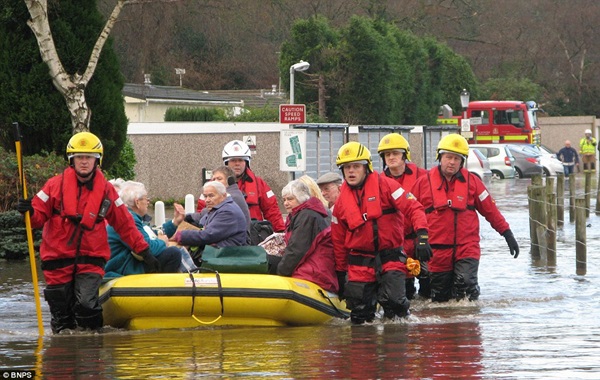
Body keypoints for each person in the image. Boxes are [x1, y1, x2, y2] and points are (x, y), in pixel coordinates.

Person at [16, 132, 155, 334]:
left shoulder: (107, 191)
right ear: (71, 160)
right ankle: (64, 358)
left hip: (91, 259)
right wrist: (28, 211)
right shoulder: (53, 186)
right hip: (57, 258)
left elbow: (125, 224)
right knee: (62, 317)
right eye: (79, 157)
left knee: (87, 306)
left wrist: (144, 251)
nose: (84, 162)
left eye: (88, 157)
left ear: (97, 160)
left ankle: (92, 353)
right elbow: (36, 218)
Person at [331, 142, 432, 324]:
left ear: (366, 167)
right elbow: (338, 241)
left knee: (396, 308)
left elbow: (414, 208)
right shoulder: (340, 204)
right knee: (359, 316)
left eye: (355, 166)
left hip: (390, 257)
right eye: (347, 167)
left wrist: (422, 236)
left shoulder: (387, 186)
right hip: (359, 262)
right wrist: (340, 273)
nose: (351, 171)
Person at [411, 134, 520, 303]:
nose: (452, 162)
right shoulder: (422, 183)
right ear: (440, 157)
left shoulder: (473, 182)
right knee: (440, 297)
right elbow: (409, 212)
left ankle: (469, 322)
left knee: (466, 286)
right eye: (448, 157)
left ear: (462, 161)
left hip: (466, 247)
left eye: (456, 158)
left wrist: (507, 234)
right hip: (437, 250)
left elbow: (490, 211)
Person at [377, 133, 430, 299]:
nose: (391, 157)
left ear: (404, 155)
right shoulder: (378, 181)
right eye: (387, 154)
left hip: (420, 238)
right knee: (404, 290)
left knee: (429, 286)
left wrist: (424, 237)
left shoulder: (422, 176)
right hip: (397, 243)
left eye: (395, 153)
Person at [104, 181, 186, 278]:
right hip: (122, 270)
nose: (148, 202)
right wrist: (162, 242)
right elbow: (148, 248)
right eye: (146, 198)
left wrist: (175, 222)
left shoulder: (130, 217)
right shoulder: (129, 220)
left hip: (125, 265)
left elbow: (151, 233)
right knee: (173, 254)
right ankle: (164, 291)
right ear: (137, 202)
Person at [267, 179, 337, 292]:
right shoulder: (301, 215)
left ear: (300, 198)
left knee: (268, 263)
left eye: (290, 199)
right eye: (284, 199)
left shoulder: (307, 216)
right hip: (312, 268)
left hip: (315, 273)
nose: (285, 203)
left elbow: (296, 249)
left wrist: (281, 272)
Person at [222, 140, 285, 232]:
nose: (237, 164)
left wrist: (281, 232)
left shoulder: (259, 184)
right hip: (225, 233)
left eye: (240, 160)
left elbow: (272, 210)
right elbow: (203, 209)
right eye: (233, 160)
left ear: (247, 162)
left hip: (253, 234)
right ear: (226, 163)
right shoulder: (215, 183)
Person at [173, 181, 247, 250]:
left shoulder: (228, 211)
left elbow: (208, 235)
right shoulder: (218, 207)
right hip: (216, 252)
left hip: (223, 255)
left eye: (211, 196)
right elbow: (201, 223)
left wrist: (179, 235)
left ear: (223, 196)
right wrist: (184, 218)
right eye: (205, 196)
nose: (207, 200)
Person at [190, 165, 252, 243]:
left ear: (230, 180)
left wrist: (188, 218)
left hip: (233, 247)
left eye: (219, 179)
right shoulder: (230, 194)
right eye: (213, 179)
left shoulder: (232, 197)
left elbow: (209, 214)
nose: (215, 182)